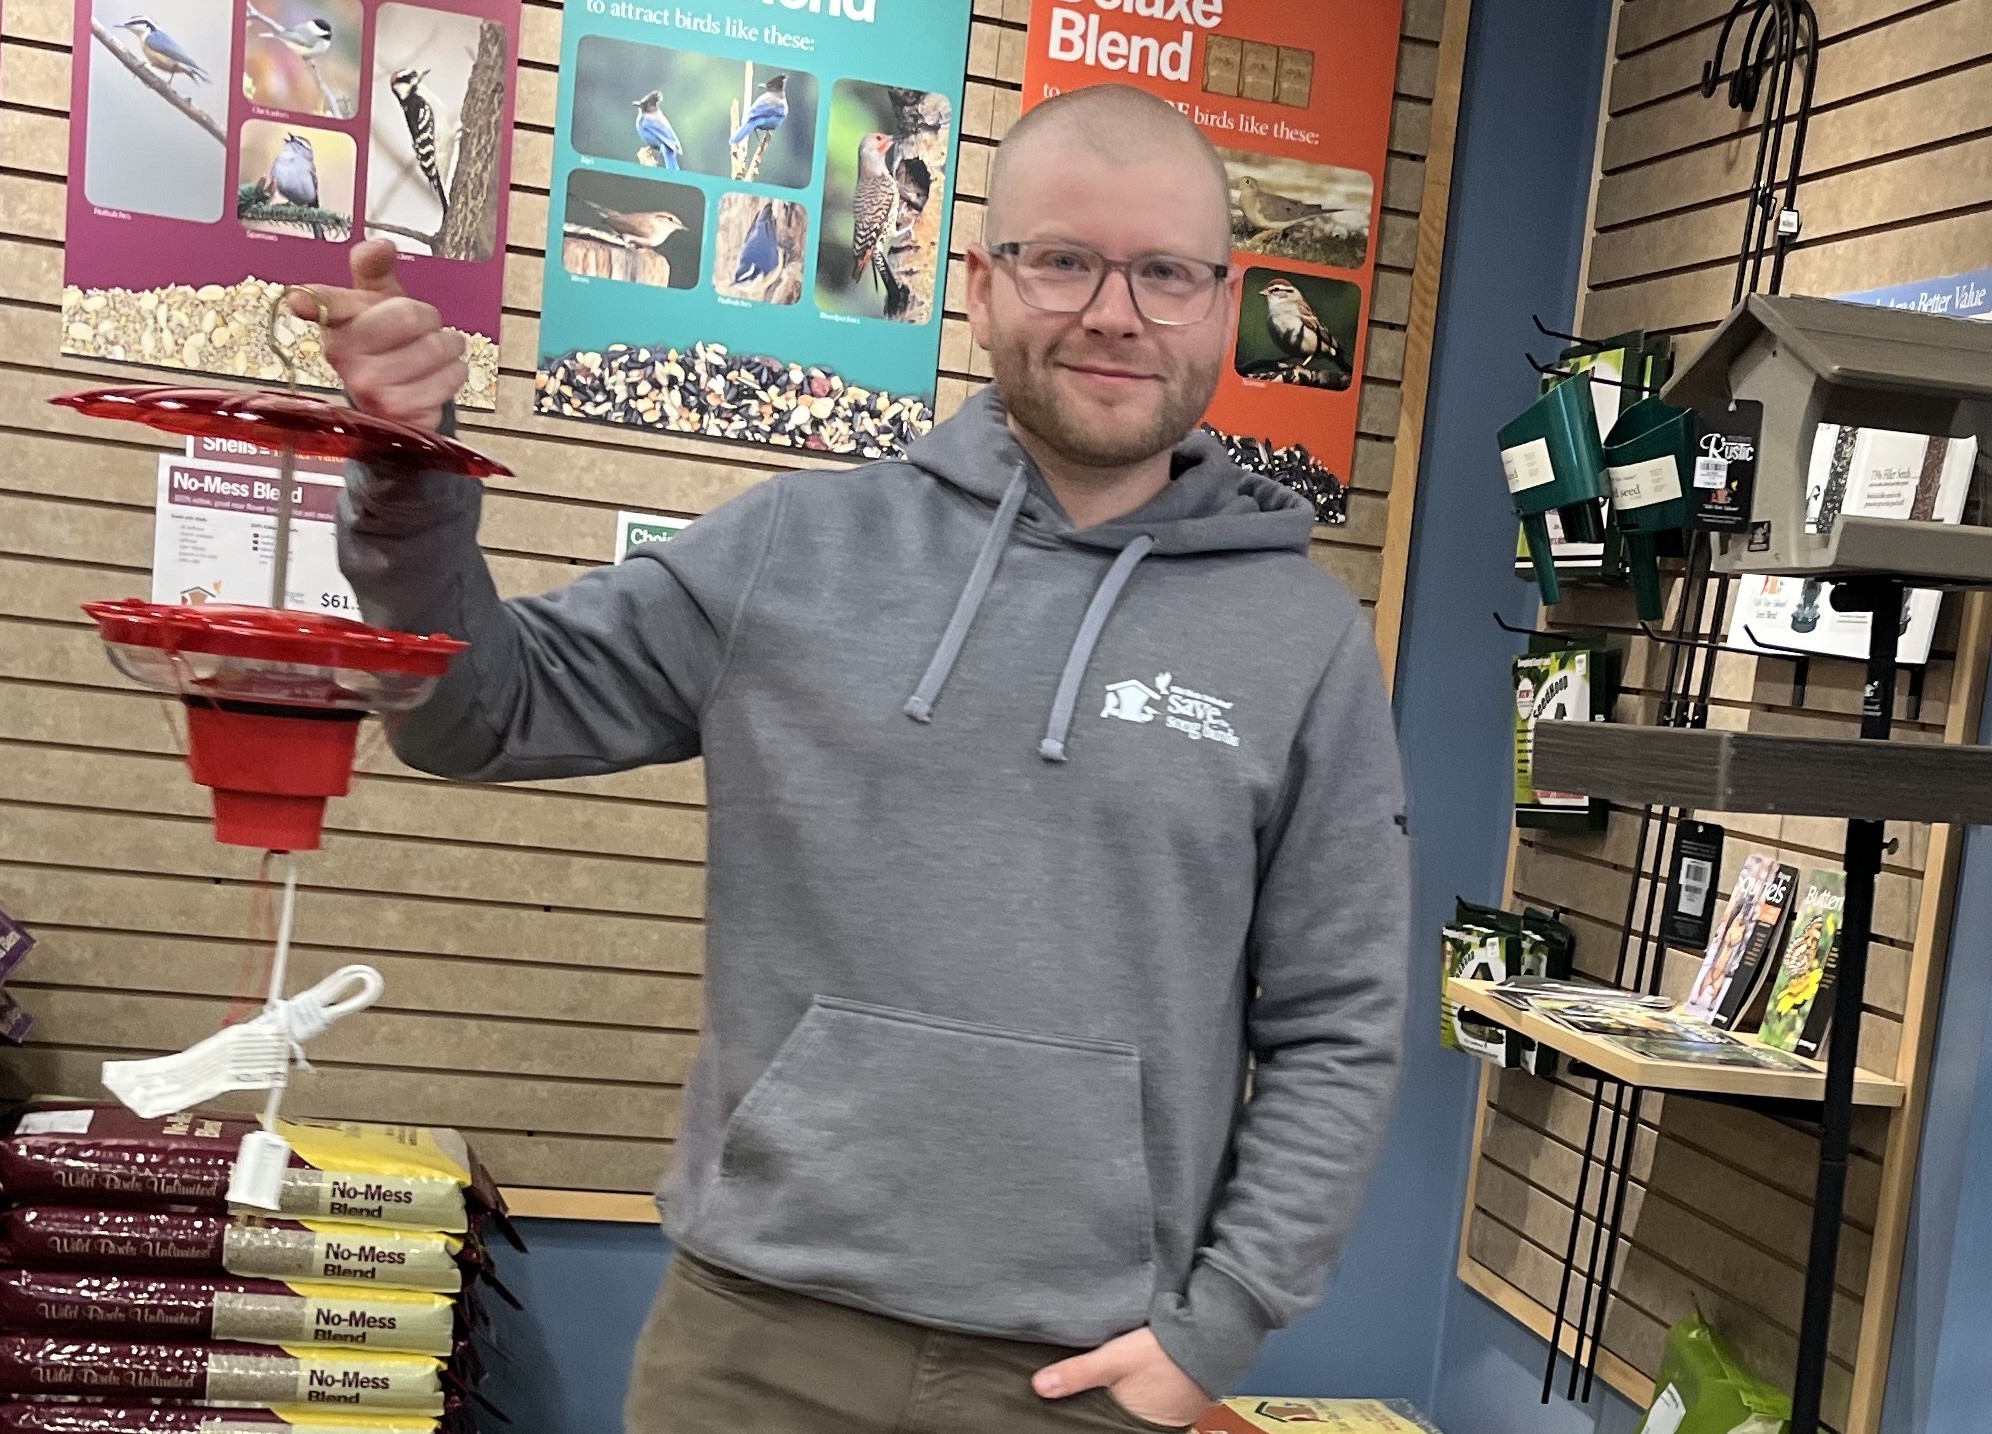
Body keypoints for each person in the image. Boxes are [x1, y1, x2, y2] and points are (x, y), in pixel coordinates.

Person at [308, 82, 1409, 1434]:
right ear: (980, 283)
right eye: (1063, 259)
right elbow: (477, 711)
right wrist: (409, 480)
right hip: (755, 1345)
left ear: (1223, 304)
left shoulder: (1301, 638)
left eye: (1166, 272)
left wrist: (1219, 1323)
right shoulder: (792, 551)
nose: (1115, 312)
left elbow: (1341, 1024)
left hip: (1084, 1377)